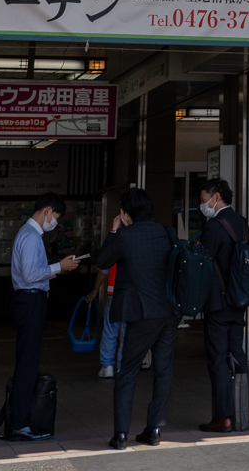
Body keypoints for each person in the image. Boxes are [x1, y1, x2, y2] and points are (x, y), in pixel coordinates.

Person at [90, 187, 177, 449]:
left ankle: (121, 435)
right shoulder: (167, 232)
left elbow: (101, 261)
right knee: (163, 371)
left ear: (126, 213)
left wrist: (115, 230)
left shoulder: (125, 236)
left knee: (127, 371)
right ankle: (153, 430)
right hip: (170, 312)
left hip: (142, 313)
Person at [7, 192, 80, 441]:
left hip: (29, 300)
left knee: (28, 362)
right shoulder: (30, 237)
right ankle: (19, 424)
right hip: (29, 300)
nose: (55, 223)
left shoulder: (31, 236)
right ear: (47, 210)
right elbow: (29, 274)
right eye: (56, 217)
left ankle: (18, 420)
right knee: (28, 364)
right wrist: (59, 267)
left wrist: (57, 269)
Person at [195, 178, 249, 434]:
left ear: (216, 197)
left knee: (217, 358)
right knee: (237, 354)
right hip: (239, 300)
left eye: (204, 198)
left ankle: (223, 417)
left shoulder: (213, 227)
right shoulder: (241, 222)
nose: (202, 203)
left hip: (218, 303)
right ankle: (242, 412)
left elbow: (202, 264)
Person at [85, 213, 124, 380]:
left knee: (110, 331)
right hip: (130, 294)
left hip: (112, 293)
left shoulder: (114, 244)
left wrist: (94, 290)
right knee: (127, 332)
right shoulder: (136, 242)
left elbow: (103, 270)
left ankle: (107, 366)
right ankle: (123, 368)